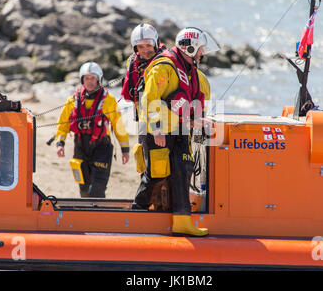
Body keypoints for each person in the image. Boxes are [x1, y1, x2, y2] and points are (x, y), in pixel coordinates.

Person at [137, 27, 219, 236]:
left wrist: (198, 121)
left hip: (181, 132)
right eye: (200, 49)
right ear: (189, 47)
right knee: (155, 176)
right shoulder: (163, 68)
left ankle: (182, 221)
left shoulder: (194, 74)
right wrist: (156, 130)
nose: (202, 53)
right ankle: (136, 214)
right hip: (159, 132)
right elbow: (149, 99)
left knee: (183, 171)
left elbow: (192, 106)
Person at [55, 62, 129, 198]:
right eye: (86, 78)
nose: (89, 82)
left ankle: (98, 215)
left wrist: (125, 150)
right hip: (80, 146)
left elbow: (119, 126)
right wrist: (60, 144)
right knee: (83, 188)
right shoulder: (72, 100)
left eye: (93, 78)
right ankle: (85, 215)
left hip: (102, 146)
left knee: (97, 189)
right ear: (82, 79)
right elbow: (63, 125)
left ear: (98, 79)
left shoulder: (109, 100)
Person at [120, 23, 171, 211]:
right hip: (144, 122)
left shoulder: (164, 63)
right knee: (146, 165)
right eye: (140, 47)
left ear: (156, 43)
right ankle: (147, 207)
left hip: (162, 123)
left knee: (160, 169)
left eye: (148, 45)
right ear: (135, 48)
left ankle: (154, 206)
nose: (145, 50)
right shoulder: (133, 63)